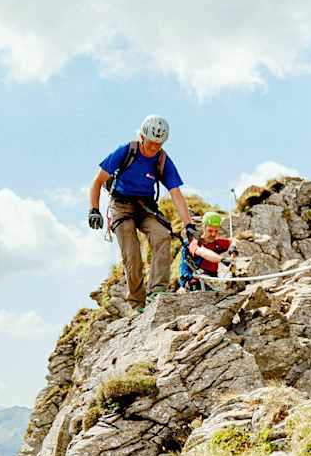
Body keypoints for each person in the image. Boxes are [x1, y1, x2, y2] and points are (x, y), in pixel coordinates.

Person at [87, 115, 197, 312]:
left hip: (145, 207)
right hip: (121, 206)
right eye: (151, 142)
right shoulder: (126, 151)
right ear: (142, 136)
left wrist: (189, 224)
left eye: (159, 143)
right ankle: (137, 304)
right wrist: (94, 210)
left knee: (162, 235)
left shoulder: (162, 159)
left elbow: (176, 194)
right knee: (132, 253)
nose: (154, 147)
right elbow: (97, 181)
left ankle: (157, 291)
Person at [179, 211, 235, 291]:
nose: (213, 234)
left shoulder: (217, 242)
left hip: (212, 281)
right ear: (203, 227)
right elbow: (203, 252)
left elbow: (233, 240)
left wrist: (233, 248)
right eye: (210, 231)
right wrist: (222, 259)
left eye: (216, 231)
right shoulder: (194, 243)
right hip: (195, 283)